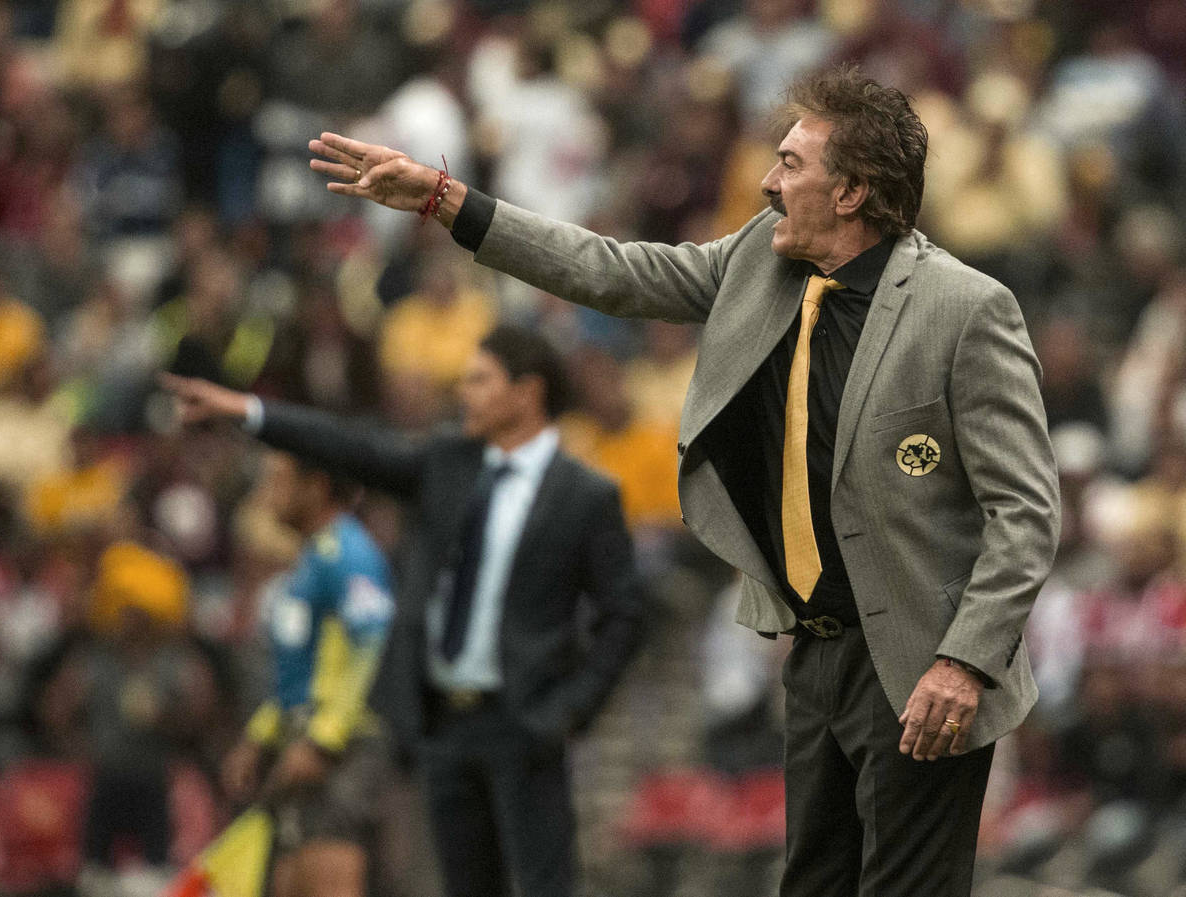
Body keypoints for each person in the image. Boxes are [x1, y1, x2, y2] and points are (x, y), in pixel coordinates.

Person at [306, 65, 1062, 897]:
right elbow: (611, 271)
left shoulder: (966, 308)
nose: (767, 182)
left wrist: (963, 662)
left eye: (791, 164)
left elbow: (1025, 512)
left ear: (851, 193)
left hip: (924, 664)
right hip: (813, 654)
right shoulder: (758, 260)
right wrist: (446, 201)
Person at [162, 324, 644, 897]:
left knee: (546, 886)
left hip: (526, 722)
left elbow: (625, 614)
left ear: (527, 392)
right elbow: (349, 446)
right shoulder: (447, 464)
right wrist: (247, 411)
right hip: (445, 724)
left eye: (480, 380)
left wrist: (570, 709)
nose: (464, 392)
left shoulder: (585, 495)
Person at [216, 451, 395, 897]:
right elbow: (301, 672)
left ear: (316, 487)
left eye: (279, 481)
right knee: (290, 881)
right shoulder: (311, 558)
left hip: (340, 749)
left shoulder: (348, 554)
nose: (267, 494)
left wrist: (323, 741)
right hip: (301, 739)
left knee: (327, 878)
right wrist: (260, 736)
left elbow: (371, 648)